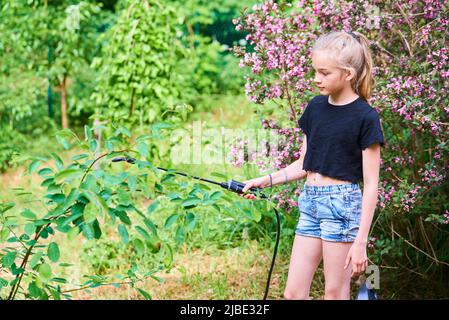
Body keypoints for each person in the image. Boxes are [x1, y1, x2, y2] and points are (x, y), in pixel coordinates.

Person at [240, 30, 385, 300]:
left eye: (325, 72)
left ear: (348, 74)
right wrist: (266, 180)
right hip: (310, 203)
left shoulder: (366, 117)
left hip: (342, 206)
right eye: (314, 71)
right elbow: (305, 164)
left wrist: (361, 241)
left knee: (334, 293)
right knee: (293, 293)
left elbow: (372, 183)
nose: (316, 78)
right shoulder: (315, 108)